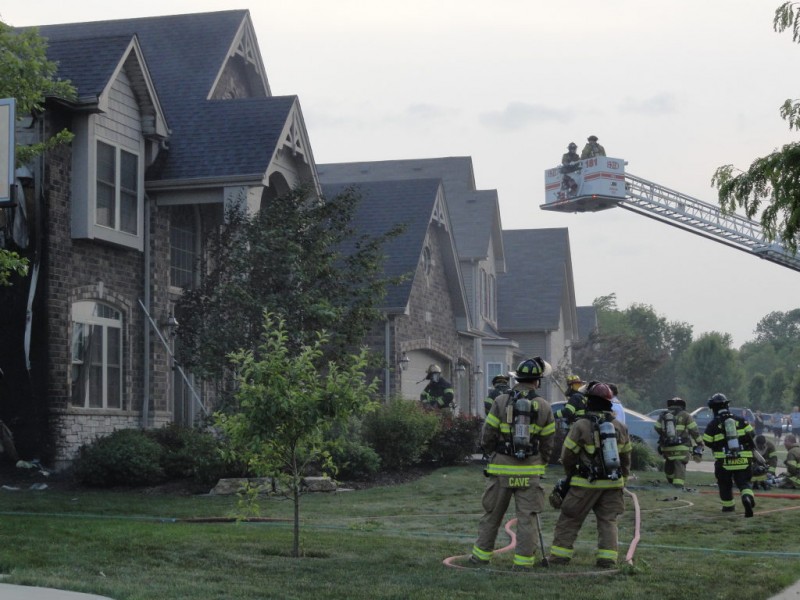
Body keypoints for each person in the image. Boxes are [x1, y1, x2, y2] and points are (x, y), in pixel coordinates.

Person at [469, 357, 556, 570]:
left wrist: (492, 454)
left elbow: (487, 434)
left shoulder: (500, 401)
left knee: (492, 515)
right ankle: (523, 563)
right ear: (537, 381)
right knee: (527, 518)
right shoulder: (544, 406)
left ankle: (480, 557)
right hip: (530, 471)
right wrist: (540, 462)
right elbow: (548, 443)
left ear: (517, 378)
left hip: (501, 470)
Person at [546, 381, 632, 569]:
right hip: (612, 484)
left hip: (585, 483)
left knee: (570, 518)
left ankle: (559, 558)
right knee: (608, 521)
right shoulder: (619, 427)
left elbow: (567, 456)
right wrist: (622, 480)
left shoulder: (581, 426)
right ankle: (607, 560)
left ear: (588, 401)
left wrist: (571, 476)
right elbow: (626, 459)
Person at [702, 393, 757, 517]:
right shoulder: (741, 420)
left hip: (724, 461)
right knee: (744, 483)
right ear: (727, 405)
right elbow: (752, 435)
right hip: (743, 458)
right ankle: (747, 498)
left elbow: (707, 441)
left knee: (725, 484)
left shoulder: (713, 424)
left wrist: (719, 445)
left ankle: (728, 507)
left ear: (714, 408)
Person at [654, 397, 703, 488]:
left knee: (669, 463)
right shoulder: (686, 415)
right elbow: (694, 431)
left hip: (667, 448)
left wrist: (664, 436)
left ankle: (670, 481)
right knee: (679, 465)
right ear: (682, 405)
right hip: (682, 448)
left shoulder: (663, 415)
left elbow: (657, 427)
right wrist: (700, 443)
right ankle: (678, 486)